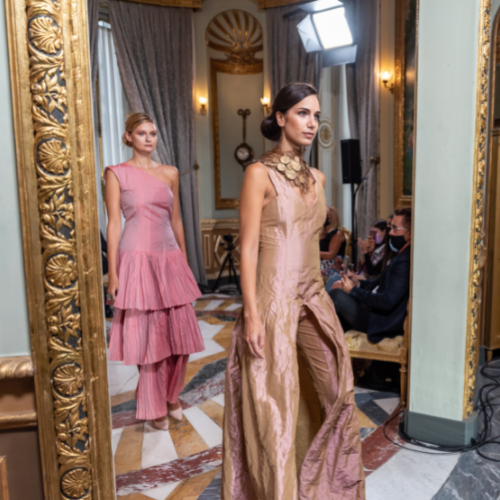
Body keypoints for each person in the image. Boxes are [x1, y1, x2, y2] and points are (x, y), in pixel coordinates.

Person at [222, 83, 365, 500]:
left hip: (314, 296)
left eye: (316, 115)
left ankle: (322, 486)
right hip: (272, 300)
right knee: (276, 409)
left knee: (336, 392)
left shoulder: (318, 178)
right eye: (303, 113)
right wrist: (250, 313)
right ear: (280, 117)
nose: (312, 123)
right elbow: (248, 247)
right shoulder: (258, 173)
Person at [105, 112, 204, 431]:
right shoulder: (116, 173)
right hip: (136, 258)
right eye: (142, 133)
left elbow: (176, 221)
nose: (149, 138)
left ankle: (172, 395)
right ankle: (152, 405)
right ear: (129, 137)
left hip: (169, 258)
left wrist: (186, 265)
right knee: (149, 339)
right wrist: (114, 274)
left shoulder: (170, 172)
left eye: (153, 133)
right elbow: (113, 224)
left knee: (181, 335)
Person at [329, 207, 412, 343]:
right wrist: (357, 282)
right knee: (337, 295)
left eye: (395, 229)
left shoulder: (404, 262)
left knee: (336, 296)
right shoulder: (401, 255)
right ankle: (336, 349)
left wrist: (353, 290)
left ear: (409, 234)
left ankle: (324, 346)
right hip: (376, 312)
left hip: (381, 321)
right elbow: (379, 282)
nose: (390, 232)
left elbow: (387, 301)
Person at [319, 206, 346, 274]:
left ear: (332, 218)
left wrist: (313, 253)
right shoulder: (320, 233)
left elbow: (331, 255)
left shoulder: (337, 233)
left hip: (331, 268)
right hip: (319, 264)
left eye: (326, 215)